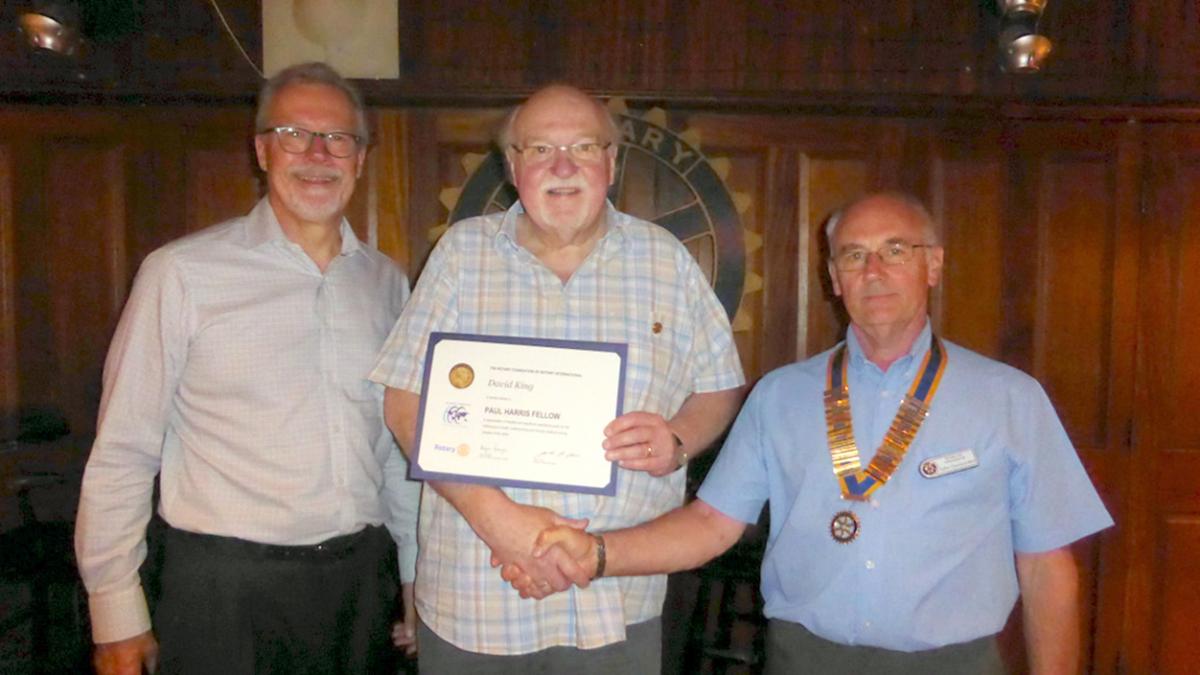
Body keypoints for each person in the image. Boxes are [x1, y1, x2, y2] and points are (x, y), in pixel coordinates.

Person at [521, 191, 1114, 674]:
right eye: (854, 256)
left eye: (895, 250)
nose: (874, 271)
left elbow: (1046, 565)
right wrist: (599, 552)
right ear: (833, 277)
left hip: (951, 663)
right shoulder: (780, 395)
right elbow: (709, 525)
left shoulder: (1009, 398)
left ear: (934, 264)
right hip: (805, 659)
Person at [368, 84, 745, 673]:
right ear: (513, 165)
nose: (563, 165)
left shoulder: (666, 259)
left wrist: (678, 438)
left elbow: (720, 385)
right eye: (541, 148)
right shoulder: (461, 256)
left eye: (583, 147)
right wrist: (504, 525)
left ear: (611, 163)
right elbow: (404, 404)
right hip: (477, 596)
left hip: (617, 598)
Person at [75, 62, 419, 675]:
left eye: (339, 137)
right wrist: (115, 613)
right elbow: (125, 449)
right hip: (221, 591)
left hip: (360, 583)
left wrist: (417, 579)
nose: (318, 153)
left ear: (361, 158)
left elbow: (396, 450)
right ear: (262, 150)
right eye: (293, 134)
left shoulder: (389, 284)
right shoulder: (180, 274)